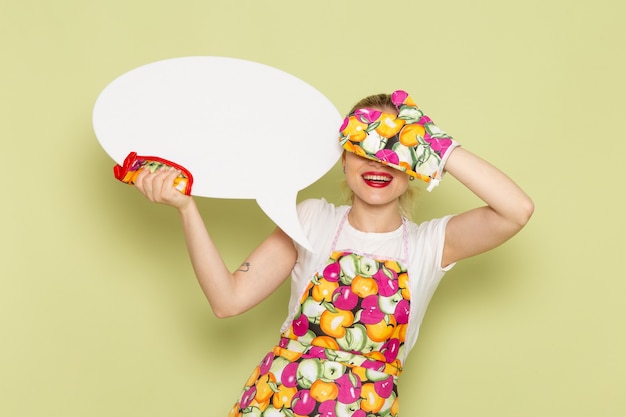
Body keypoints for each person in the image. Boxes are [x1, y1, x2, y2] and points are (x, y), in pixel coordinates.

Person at [133, 90, 534, 417]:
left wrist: (436, 145)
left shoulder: (432, 244)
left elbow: (517, 210)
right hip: (276, 403)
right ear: (342, 157)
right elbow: (227, 300)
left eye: (393, 148)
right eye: (365, 146)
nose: (379, 161)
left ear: (414, 166)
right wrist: (187, 208)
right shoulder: (311, 219)